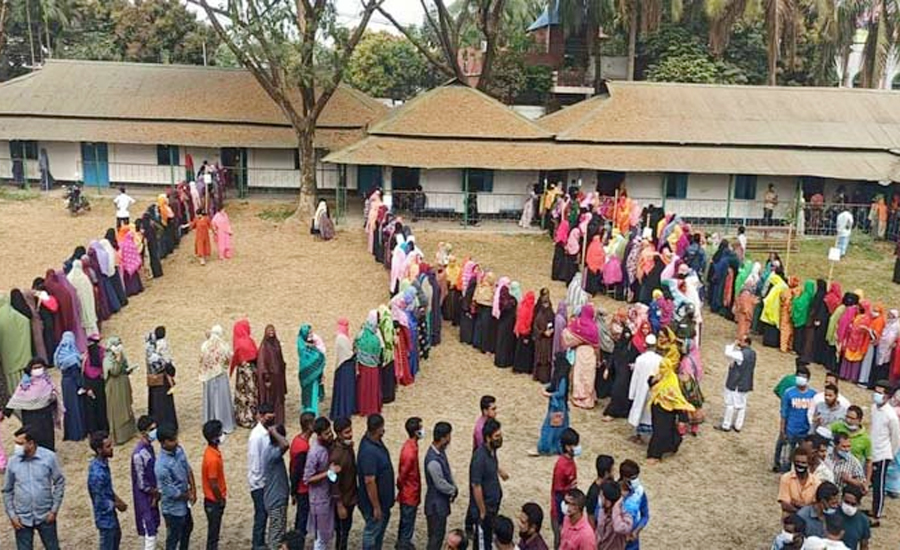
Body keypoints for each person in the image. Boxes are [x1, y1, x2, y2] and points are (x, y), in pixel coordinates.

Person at [2, 426, 65, 550]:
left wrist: (54, 510)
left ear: (31, 443)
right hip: (22, 519)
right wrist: (12, 515)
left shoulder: (49, 458)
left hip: (45, 515)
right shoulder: (13, 462)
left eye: (20, 443)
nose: (16, 447)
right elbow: (7, 490)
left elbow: (59, 482)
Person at [5, 358, 62, 451]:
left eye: (40, 367)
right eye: (35, 367)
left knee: (47, 434)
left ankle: (49, 451)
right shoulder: (25, 384)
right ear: (30, 369)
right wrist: (7, 411)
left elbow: (54, 392)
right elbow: (17, 397)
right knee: (32, 435)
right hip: (30, 416)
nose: (38, 369)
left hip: (44, 414)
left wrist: (53, 397)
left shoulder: (47, 380)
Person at [155, 426, 196, 550]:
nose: (176, 441)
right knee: (174, 538)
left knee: (188, 527)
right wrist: (188, 495)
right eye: (172, 440)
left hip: (184, 501)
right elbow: (171, 492)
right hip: (173, 508)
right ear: (163, 443)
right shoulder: (161, 466)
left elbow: (187, 469)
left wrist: (193, 489)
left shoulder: (179, 450)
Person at [358, 413, 395, 550]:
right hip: (373, 504)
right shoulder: (369, 452)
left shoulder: (374, 441)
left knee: (377, 532)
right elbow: (369, 481)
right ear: (378, 429)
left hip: (382, 501)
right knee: (371, 533)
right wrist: (376, 506)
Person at [470, 417, 505, 550]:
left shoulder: (492, 450)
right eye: (497, 436)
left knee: (489, 537)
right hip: (484, 508)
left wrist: (500, 471)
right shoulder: (479, 458)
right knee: (481, 542)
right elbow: (476, 486)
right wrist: (482, 510)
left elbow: (493, 464)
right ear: (488, 438)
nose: (500, 438)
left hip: (493, 504)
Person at [88, 431, 128, 550]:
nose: (112, 449)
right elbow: (100, 501)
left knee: (116, 537)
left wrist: (118, 500)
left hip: (110, 514)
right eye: (108, 447)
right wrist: (117, 505)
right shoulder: (97, 474)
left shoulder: (102, 464)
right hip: (104, 517)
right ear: (99, 450)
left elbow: (107, 489)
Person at [868, 381, 900, 526]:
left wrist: (890, 455)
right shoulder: (874, 408)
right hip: (872, 451)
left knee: (879, 486)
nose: (877, 395)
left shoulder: (891, 415)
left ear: (887, 396)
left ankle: (877, 514)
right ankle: (873, 509)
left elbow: (896, 438)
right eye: (876, 391)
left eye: (880, 393)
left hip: (883, 454)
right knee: (871, 481)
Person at [776, 364, 816, 472]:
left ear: (808, 379)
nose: (800, 378)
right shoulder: (789, 393)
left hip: (806, 431)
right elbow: (784, 412)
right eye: (799, 375)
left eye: (803, 376)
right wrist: (782, 430)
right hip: (791, 430)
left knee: (805, 457)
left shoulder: (813, 395)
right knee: (788, 457)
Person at [425, 422, 458, 550]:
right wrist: (453, 490)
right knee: (436, 537)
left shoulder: (439, 452)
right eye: (449, 436)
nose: (450, 439)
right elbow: (439, 483)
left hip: (438, 503)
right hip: (436, 506)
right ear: (443, 438)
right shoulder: (433, 460)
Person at [199, 326, 236, 435]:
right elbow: (229, 358)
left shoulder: (205, 345)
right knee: (221, 399)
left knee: (210, 398)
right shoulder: (224, 346)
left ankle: (210, 420)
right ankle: (224, 422)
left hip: (208, 376)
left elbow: (201, 359)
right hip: (220, 376)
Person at [132, 415, 161, 550]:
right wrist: (155, 492)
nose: (154, 431)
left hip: (152, 494)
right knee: (149, 530)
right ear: (143, 432)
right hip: (144, 497)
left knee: (153, 526)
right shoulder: (138, 454)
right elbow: (141, 482)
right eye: (152, 429)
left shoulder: (149, 448)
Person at [249, 404, 276, 549]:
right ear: (261, 415)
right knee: (261, 515)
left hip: (267, 481)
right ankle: (257, 544)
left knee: (264, 514)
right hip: (259, 483)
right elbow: (255, 463)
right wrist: (260, 482)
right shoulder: (256, 437)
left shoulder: (268, 432)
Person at [534, 352, 571, 455]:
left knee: (552, 427)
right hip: (557, 405)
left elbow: (561, 392)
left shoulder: (562, 377)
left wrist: (548, 394)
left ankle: (548, 447)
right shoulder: (560, 375)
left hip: (558, 407)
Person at [103, 336, 138, 445]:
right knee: (117, 410)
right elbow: (114, 371)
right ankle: (120, 436)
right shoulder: (107, 359)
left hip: (123, 384)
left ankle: (129, 431)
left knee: (126, 406)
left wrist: (129, 369)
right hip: (114, 387)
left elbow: (124, 367)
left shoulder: (122, 356)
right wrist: (118, 358)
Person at [718, 335, 756, 432]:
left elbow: (727, 353)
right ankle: (738, 426)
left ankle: (726, 425)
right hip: (746, 382)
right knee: (742, 405)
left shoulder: (741, 354)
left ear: (746, 343)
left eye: (741, 341)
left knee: (730, 404)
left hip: (736, 382)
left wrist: (734, 344)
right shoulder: (753, 353)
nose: (739, 342)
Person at [330, 417, 358, 550]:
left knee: (345, 532)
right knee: (341, 534)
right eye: (347, 432)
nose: (350, 434)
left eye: (350, 430)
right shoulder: (336, 455)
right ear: (339, 434)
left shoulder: (346, 446)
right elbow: (333, 481)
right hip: (343, 500)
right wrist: (339, 504)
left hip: (350, 496)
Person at [550, 428, 580, 548]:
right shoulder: (561, 465)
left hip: (567, 506)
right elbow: (557, 491)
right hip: (559, 510)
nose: (578, 447)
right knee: (560, 539)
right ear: (567, 447)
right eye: (575, 445)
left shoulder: (570, 461)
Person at [628, 334, 660, 444]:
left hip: (641, 388)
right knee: (649, 412)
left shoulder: (640, 359)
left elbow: (635, 377)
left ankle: (639, 435)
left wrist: (632, 393)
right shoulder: (660, 360)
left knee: (640, 411)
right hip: (654, 389)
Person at [54, 332, 86, 442]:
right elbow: (76, 374)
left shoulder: (60, 353)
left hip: (65, 383)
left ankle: (70, 433)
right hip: (73, 383)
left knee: (69, 407)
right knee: (76, 407)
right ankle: (79, 433)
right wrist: (82, 385)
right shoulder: (73, 356)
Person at [397, 416, 424, 550]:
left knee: (406, 523)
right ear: (415, 432)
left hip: (410, 492)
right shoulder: (410, 452)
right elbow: (402, 475)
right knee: (407, 524)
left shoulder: (411, 446)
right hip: (409, 494)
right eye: (421, 428)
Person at [145, 327, 178, 432]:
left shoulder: (149, 351)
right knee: (164, 404)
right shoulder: (157, 352)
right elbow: (165, 364)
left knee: (156, 403)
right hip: (161, 380)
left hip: (154, 381)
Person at [289, 412, 315, 540]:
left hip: (299, 487)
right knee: (302, 520)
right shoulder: (303, 447)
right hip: (302, 488)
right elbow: (297, 471)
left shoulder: (297, 440)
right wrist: (293, 491)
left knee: (301, 517)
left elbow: (292, 467)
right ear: (309, 425)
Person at [264, 424, 291, 550]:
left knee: (278, 532)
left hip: (276, 499)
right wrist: (274, 432)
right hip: (276, 500)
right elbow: (286, 444)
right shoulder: (272, 453)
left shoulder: (271, 450)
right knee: (276, 537)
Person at [201, 420, 227, 550]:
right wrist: (220, 499)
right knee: (213, 535)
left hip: (212, 500)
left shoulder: (211, 452)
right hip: (214, 501)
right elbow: (213, 483)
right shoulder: (212, 459)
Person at [232, 319, 259, 429]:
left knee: (242, 395)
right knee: (251, 394)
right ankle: (251, 417)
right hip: (251, 371)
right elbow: (256, 355)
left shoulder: (237, 341)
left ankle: (242, 417)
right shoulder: (249, 341)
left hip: (242, 372)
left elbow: (236, 357)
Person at [258, 325, 288, 426]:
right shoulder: (264, 346)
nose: (271, 333)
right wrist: (266, 378)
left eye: (273, 331)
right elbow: (262, 363)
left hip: (278, 376)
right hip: (270, 377)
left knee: (279, 398)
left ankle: (279, 419)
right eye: (269, 331)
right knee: (270, 398)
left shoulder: (276, 343)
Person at [779, 447, 822, 515]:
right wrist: (803, 509)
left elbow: (815, 505)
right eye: (797, 462)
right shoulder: (786, 478)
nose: (800, 465)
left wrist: (795, 504)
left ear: (809, 463)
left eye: (803, 462)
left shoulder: (816, 482)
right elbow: (784, 504)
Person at [618, 459, 648, 550]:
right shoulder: (612, 491)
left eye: (636, 477)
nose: (635, 481)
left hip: (632, 544)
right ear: (623, 477)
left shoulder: (639, 492)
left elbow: (645, 515)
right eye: (632, 478)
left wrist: (636, 531)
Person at [297, 324, 326, 414]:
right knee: (308, 396)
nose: (311, 334)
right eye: (308, 333)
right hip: (308, 375)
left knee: (313, 396)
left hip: (315, 376)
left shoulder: (311, 345)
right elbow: (308, 359)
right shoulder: (302, 347)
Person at [596, 480, 633, 550]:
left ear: (608, 502)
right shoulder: (602, 511)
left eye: (601, 496)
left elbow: (618, 528)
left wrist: (616, 507)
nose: (599, 498)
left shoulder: (626, 516)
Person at [585, 455, 615, 530]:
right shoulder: (593, 493)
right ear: (606, 472)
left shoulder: (610, 484)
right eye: (612, 469)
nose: (614, 471)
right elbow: (590, 515)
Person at [836, 485, 870, 550]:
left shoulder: (863, 520)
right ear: (841, 499)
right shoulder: (831, 514)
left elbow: (864, 545)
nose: (849, 506)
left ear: (858, 504)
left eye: (853, 504)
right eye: (846, 502)